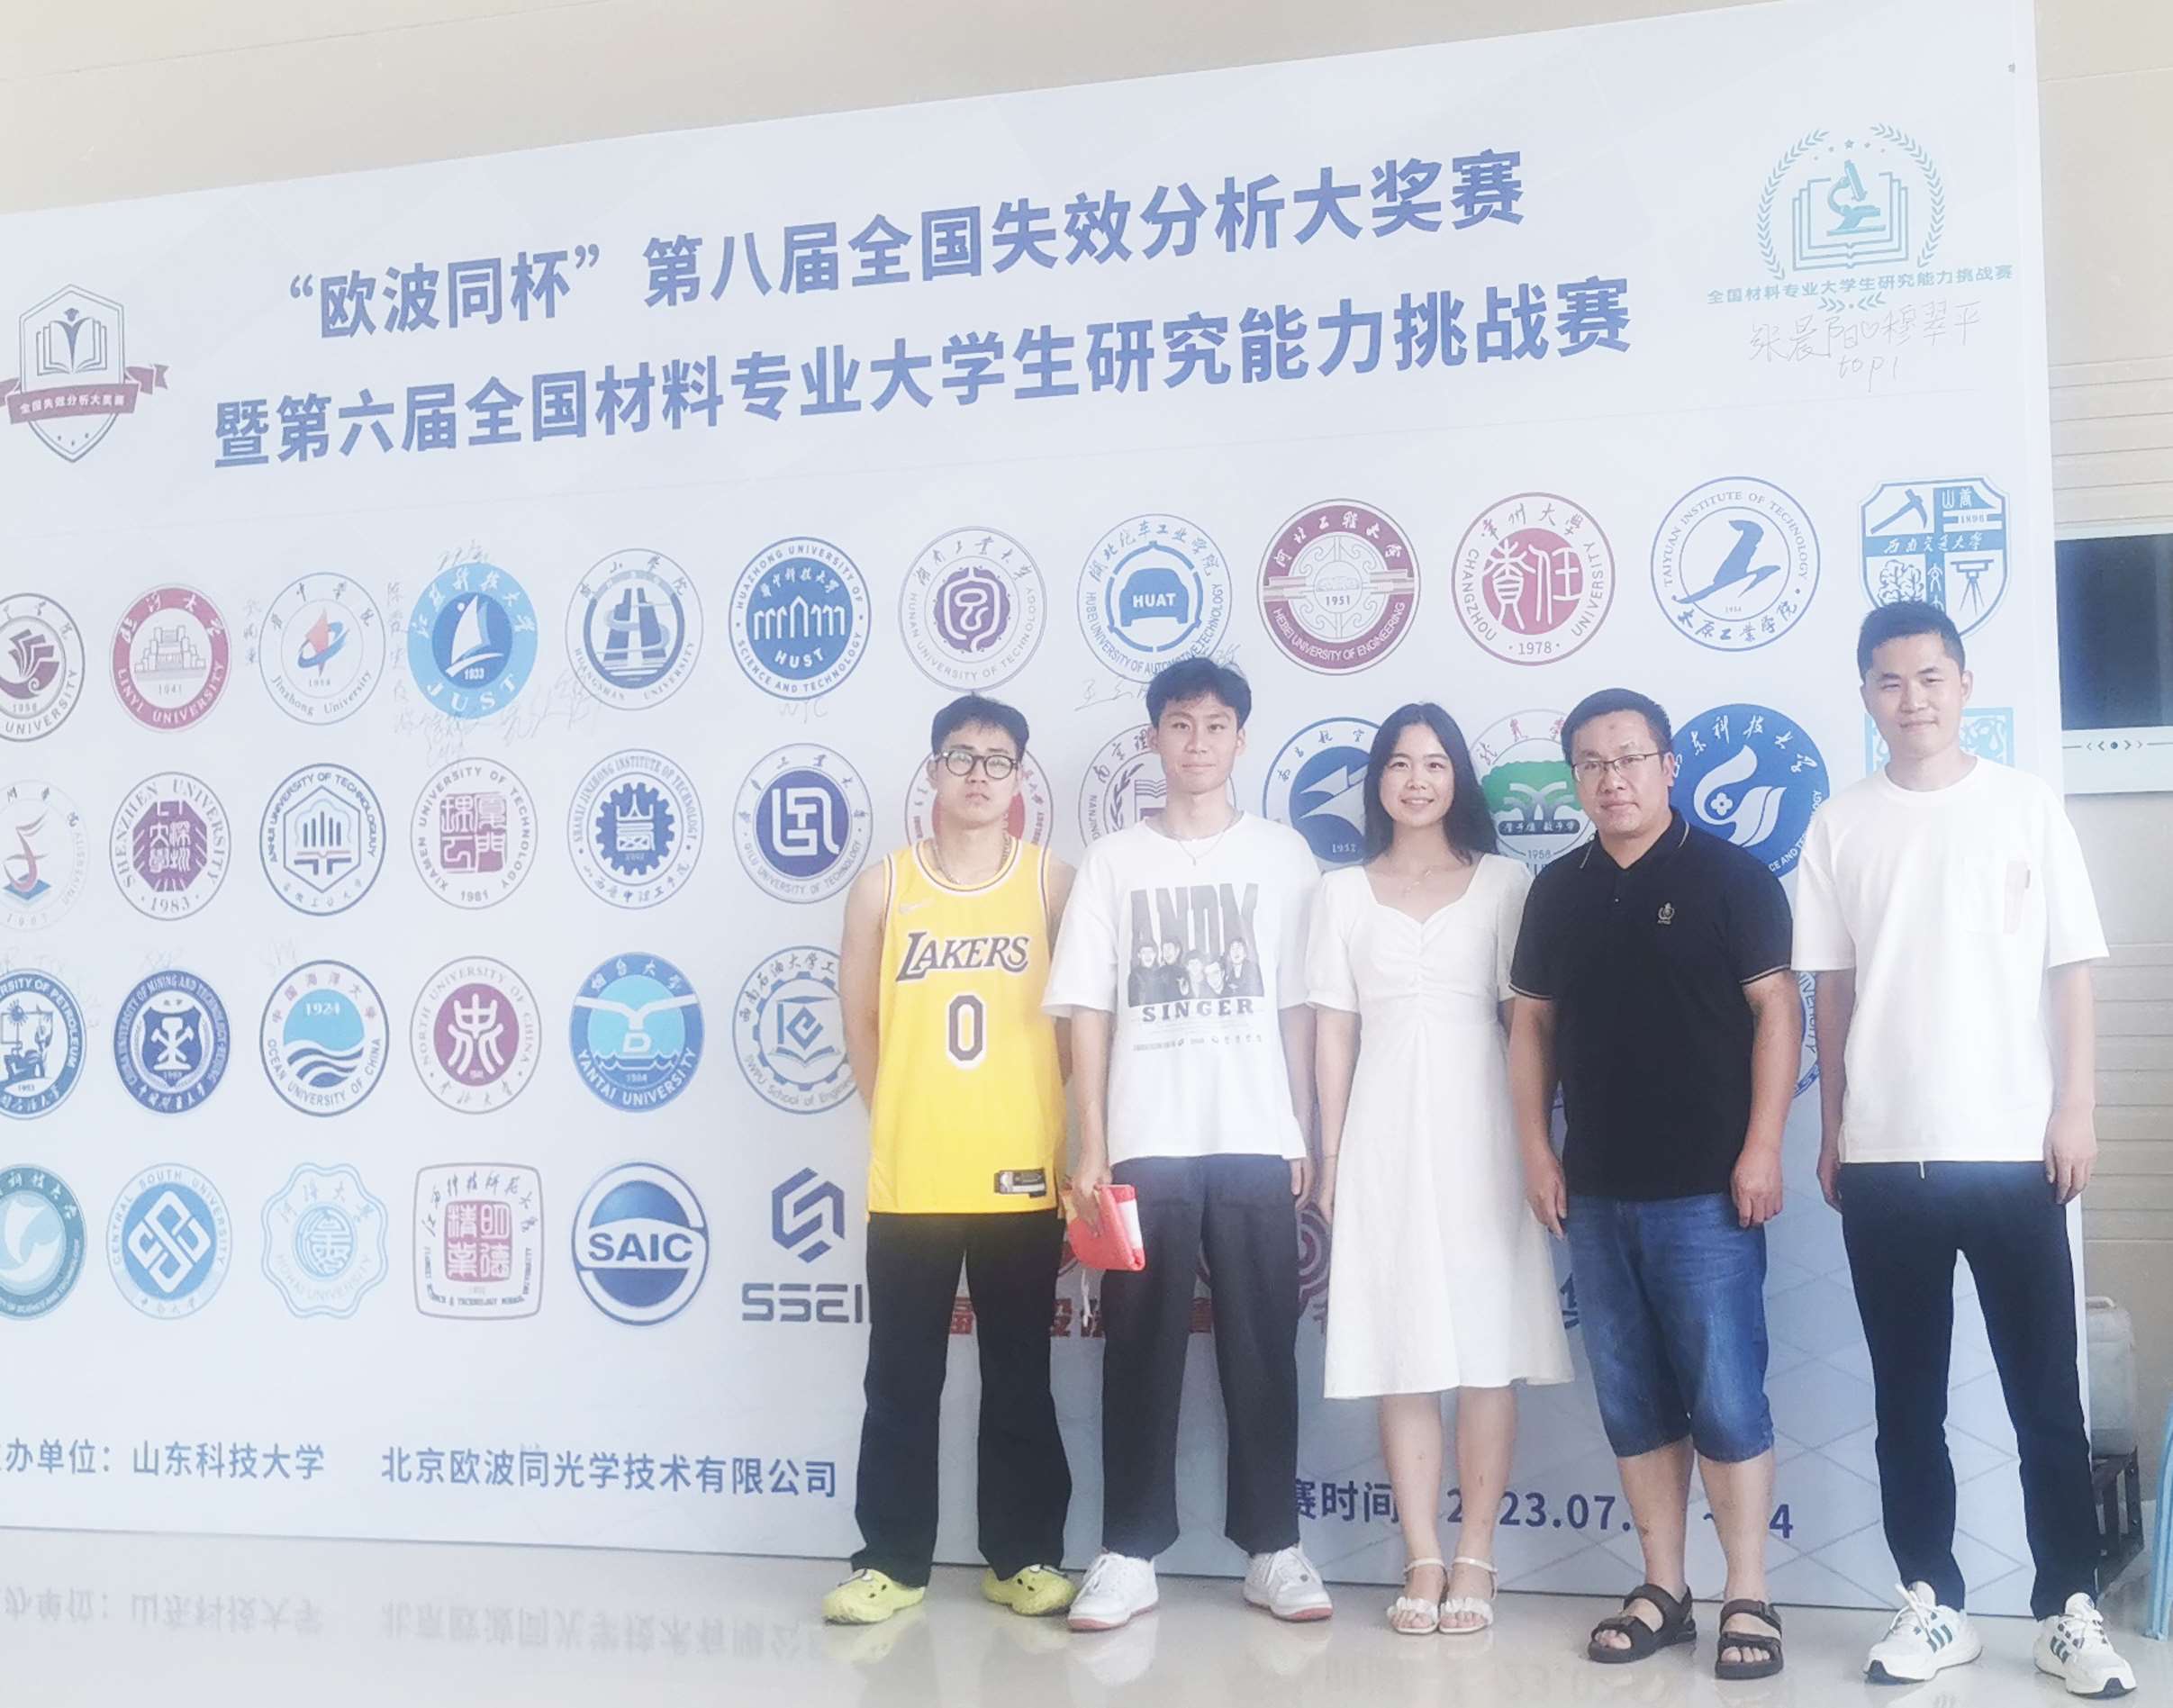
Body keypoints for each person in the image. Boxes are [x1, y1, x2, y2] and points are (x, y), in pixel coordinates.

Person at [1792, 601, 2135, 1697]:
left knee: (2045, 1399)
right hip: (1885, 1157)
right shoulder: (1839, 823)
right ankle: (1931, 1602)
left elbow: (2069, 969)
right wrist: (1834, 1127)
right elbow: (1832, 990)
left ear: (1965, 683)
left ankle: (2067, 1608)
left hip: (2015, 1150)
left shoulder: (2025, 806)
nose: (1913, 699)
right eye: (1890, 681)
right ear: (1865, 694)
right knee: (1907, 1400)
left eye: (1931, 677)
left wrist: (2074, 1107)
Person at [1508, 688, 1799, 1682]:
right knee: (1632, 1398)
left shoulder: (1730, 876)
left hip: (1709, 1190)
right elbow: (1530, 1026)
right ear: (1574, 778)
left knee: (1725, 1394)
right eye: (1591, 763)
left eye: (1629, 757)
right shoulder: (1558, 890)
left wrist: (1764, 1146)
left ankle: (1747, 1591)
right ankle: (1663, 1587)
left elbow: (1777, 1013)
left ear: (1669, 766)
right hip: (1595, 1191)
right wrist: (1536, 1150)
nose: (1612, 778)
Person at [1045, 655, 1331, 1632]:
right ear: (1153, 738)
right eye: (1179, 724)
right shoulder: (1114, 861)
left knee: (1263, 1347)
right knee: (1138, 1347)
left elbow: (1298, 1005)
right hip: (1146, 1140)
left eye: (1215, 725)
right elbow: (1087, 1008)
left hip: (1254, 1135)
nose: (1197, 742)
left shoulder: (1283, 856)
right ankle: (1129, 1551)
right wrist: (1094, 1142)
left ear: (1240, 739)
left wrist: (1299, 1126)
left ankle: (1273, 1546)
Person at [1308, 703, 1572, 1636]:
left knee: (1485, 1347)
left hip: (1484, 1128)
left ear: (1457, 776)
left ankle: (1476, 1554)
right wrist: (1331, 1155)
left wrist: (1535, 1142)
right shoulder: (1339, 893)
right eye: (1398, 763)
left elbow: (1525, 1024)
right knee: (1401, 1344)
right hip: (1381, 1131)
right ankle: (1421, 1553)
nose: (1415, 779)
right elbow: (1333, 1032)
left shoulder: (1504, 882)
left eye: (1433, 762)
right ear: (1376, 780)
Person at [821, 694, 1076, 1626]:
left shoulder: (1053, 883)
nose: (977, 774)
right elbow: (860, 1021)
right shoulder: (883, 887)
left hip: (1021, 1174)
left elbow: (1081, 1029)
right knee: (900, 1377)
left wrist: (1056, 1134)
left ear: (1019, 778)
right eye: (960, 756)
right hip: (913, 1176)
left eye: (997, 759)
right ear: (932, 768)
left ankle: (1023, 1555)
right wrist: (899, 1117)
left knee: (1019, 1374)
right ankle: (891, 1562)